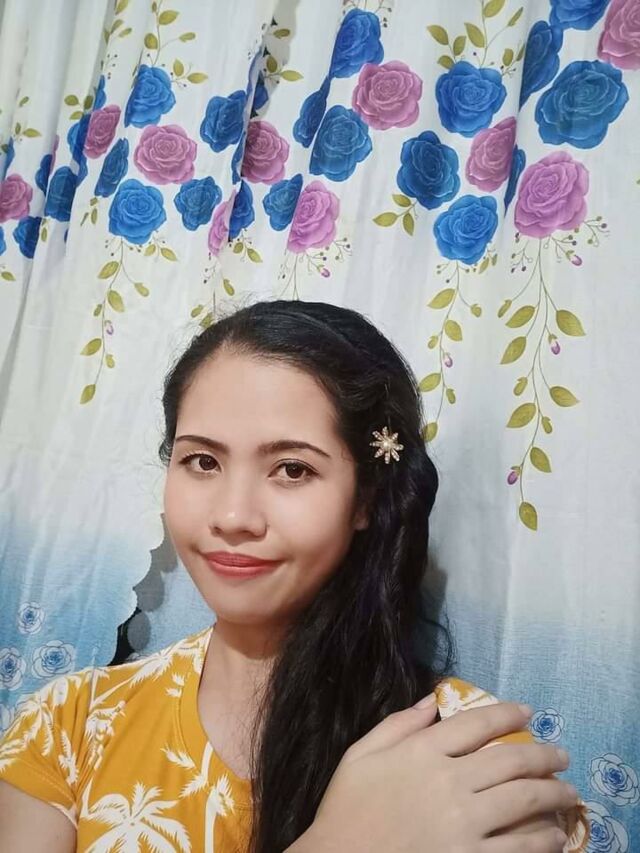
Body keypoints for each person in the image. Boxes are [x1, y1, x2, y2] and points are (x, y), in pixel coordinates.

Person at [0, 300, 589, 852]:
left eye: (291, 469)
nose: (233, 517)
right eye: (202, 461)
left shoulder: (467, 754)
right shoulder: (69, 725)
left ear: (365, 499)